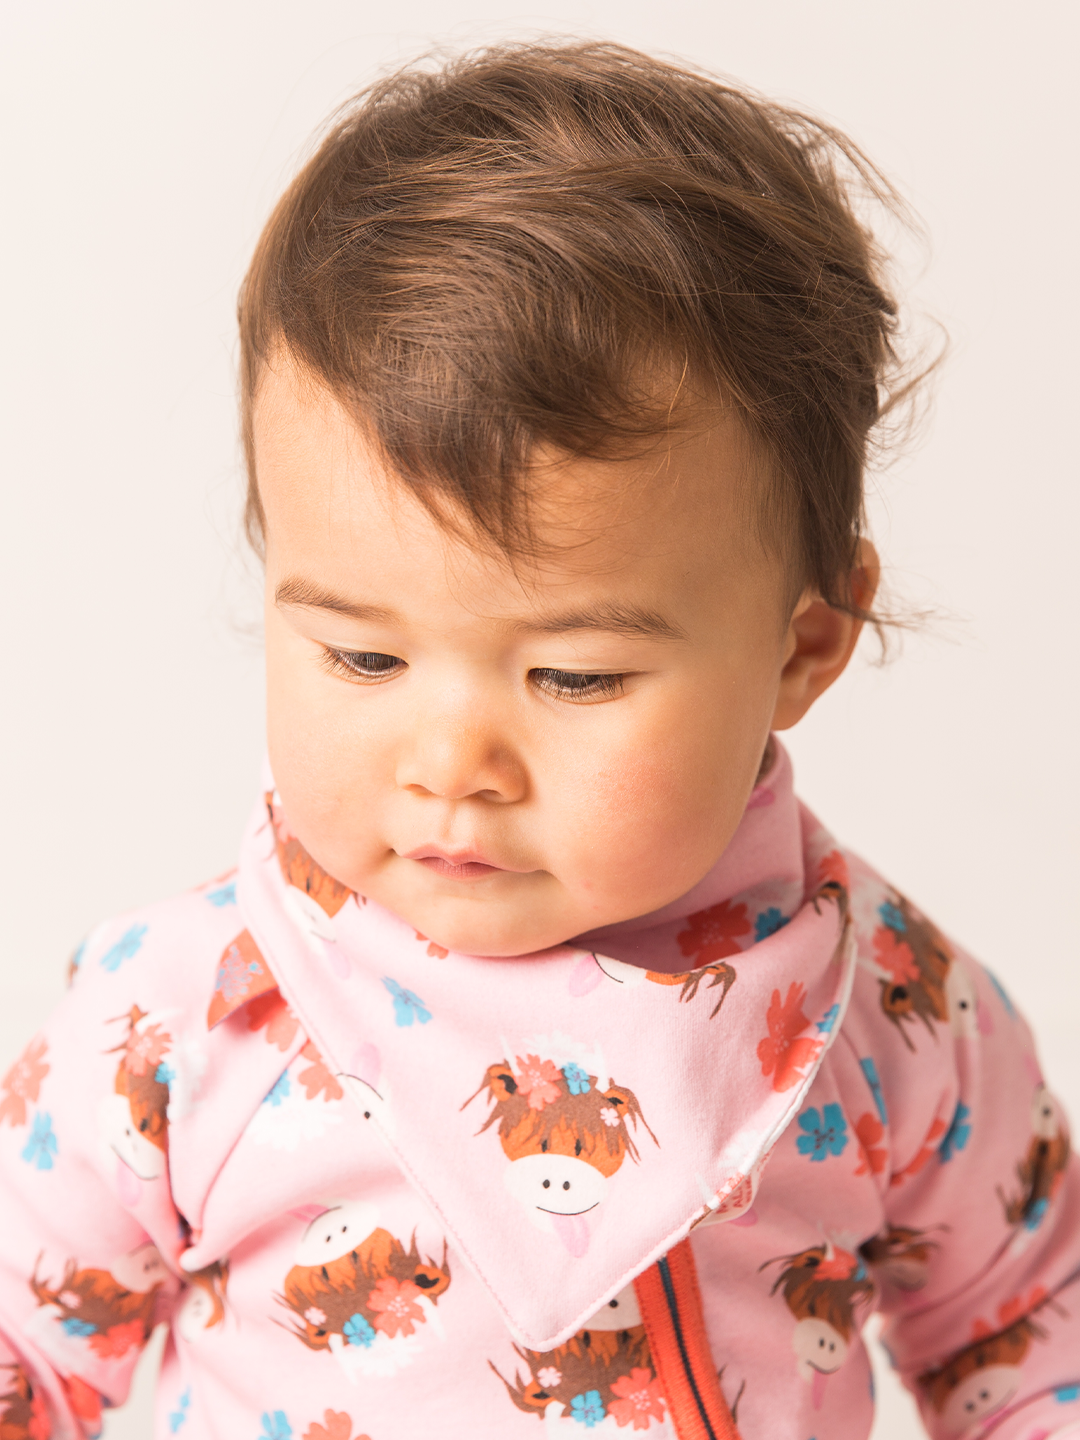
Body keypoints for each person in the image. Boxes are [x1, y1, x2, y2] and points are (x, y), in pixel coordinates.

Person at [0, 40, 1076, 1440]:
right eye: (364, 656)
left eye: (574, 675)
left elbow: (1028, 1336)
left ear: (803, 646)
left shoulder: (885, 1009)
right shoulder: (187, 1015)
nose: (453, 763)